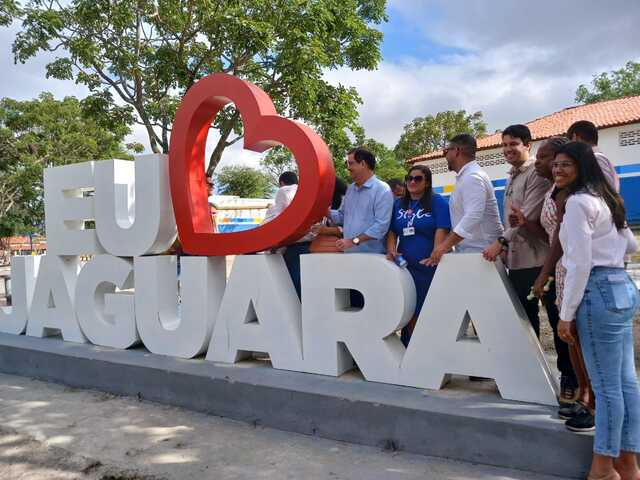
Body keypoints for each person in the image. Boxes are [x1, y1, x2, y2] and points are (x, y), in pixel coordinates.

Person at [554, 141, 639, 480]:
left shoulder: (577, 203)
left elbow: (579, 263)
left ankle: (603, 469)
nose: (558, 169)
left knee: (606, 388)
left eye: (566, 165)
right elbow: (630, 244)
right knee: (626, 383)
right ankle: (629, 464)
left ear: (583, 167)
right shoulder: (607, 198)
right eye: (556, 164)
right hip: (621, 286)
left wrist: (566, 314)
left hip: (597, 291)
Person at [482, 125, 553, 340]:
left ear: (527, 145)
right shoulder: (512, 175)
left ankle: (567, 373)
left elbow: (527, 215)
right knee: (525, 319)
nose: (507, 149)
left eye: (513, 144)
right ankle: (533, 369)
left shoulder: (536, 173)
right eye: (504, 145)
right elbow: (511, 219)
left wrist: (501, 242)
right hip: (518, 260)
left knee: (555, 317)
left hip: (538, 260)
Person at [386, 165, 450, 346]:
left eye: (418, 178)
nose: (412, 182)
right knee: (409, 308)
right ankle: (412, 348)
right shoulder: (398, 204)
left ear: (427, 182)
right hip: (405, 267)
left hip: (429, 266)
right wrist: (391, 249)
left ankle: (428, 348)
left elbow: (442, 228)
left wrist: (436, 253)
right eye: (409, 178)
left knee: (428, 310)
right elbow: (391, 231)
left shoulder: (438, 202)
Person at [425, 133, 502, 265]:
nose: (445, 156)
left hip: (483, 254)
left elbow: (473, 215)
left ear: (456, 151)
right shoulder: (467, 176)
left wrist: (444, 247)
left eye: (446, 151)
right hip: (474, 253)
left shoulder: (472, 177)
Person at [327, 147, 394, 254]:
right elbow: (342, 217)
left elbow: (381, 227)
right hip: (349, 254)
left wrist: (353, 241)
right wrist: (327, 212)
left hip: (372, 258)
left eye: (351, 163)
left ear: (363, 164)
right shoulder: (350, 189)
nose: (348, 168)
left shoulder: (382, 190)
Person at [567, 120, 620, 192]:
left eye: (570, 143)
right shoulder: (597, 158)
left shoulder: (596, 159)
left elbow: (605, 191)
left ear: (575, 137)